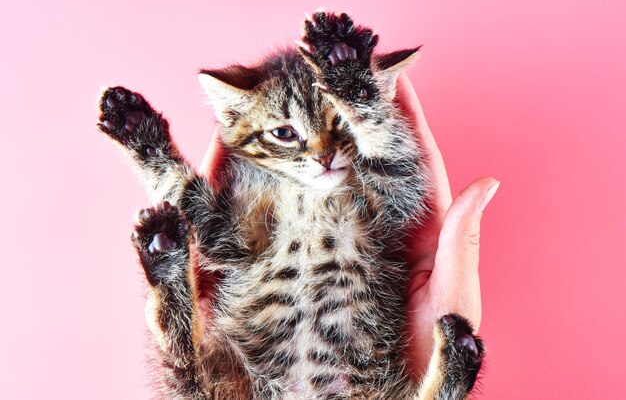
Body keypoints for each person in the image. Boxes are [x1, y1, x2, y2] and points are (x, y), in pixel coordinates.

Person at [199, 74, 499, 379]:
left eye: (338, 122)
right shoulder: (262, 200)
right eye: (284, 132)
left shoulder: (359, 197)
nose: (322, 154)